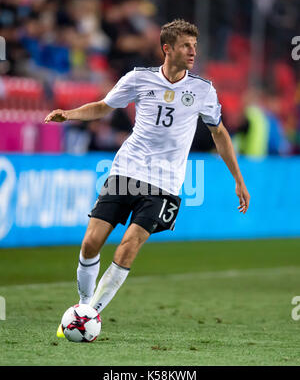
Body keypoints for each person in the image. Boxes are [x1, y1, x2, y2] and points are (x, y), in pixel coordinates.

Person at [44, 19, 250, 336]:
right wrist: (69, 114)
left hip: (165, 185)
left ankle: (90, 315)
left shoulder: (203, 90)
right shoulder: (139, 79)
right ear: (167, 48)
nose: (193, 51)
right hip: (127, 170)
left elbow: (219, 132)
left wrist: (238, 178)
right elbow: (103, 106)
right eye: (186, 45)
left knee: (128, 247)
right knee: (90, 243)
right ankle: (83, 305)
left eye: (195, 45)